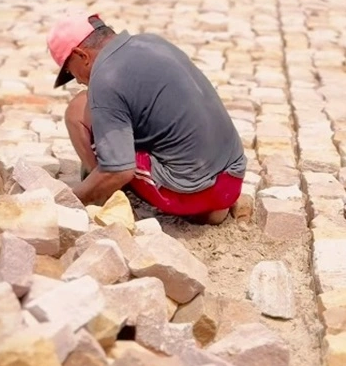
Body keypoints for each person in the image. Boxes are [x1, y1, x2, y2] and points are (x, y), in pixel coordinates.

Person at [49, 13, 246, 225]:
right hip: (232, 180)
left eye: (71, 72)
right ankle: (210, 210)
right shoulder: (152, 41)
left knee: (78, 110)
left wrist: (69, 201)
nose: (78, 81)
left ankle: (105, 197)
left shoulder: (105, 78)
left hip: (191, 192)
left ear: (82, 55)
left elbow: (119, 170)